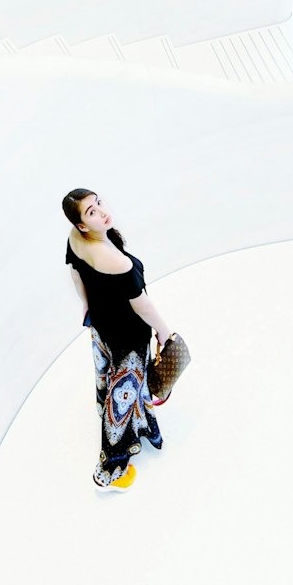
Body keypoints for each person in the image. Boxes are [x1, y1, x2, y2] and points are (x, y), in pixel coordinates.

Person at [62, 188, 173, 490]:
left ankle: (124, 419)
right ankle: (111, 467)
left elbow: (76, 276)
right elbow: (143, 305)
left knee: (110, 377)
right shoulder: (115, 261)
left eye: (98, 203)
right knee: (123, 393)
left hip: (101, 323)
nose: (101, 210)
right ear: (83, 224)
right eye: (91, 212)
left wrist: (87, 307)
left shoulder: (75, 239)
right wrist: (163, 331)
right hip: (128, 334)